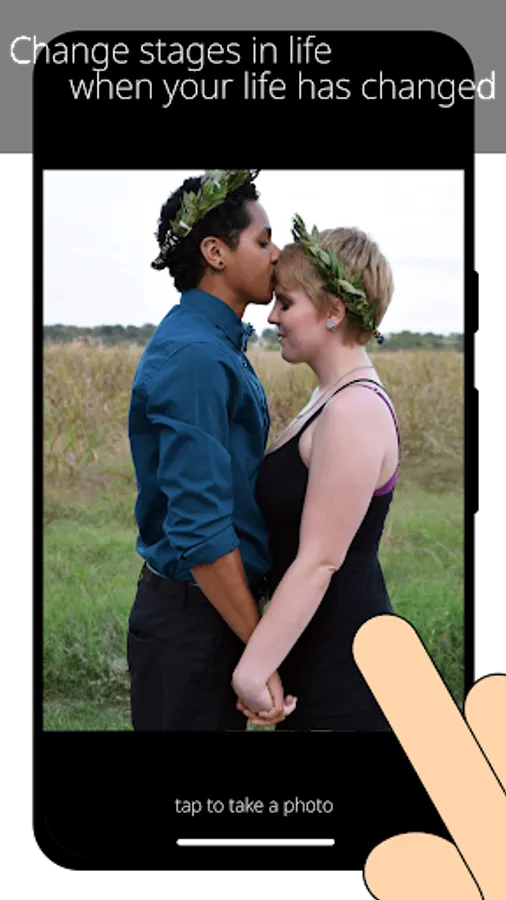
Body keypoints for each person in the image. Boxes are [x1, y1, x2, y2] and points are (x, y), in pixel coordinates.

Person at [127, 169, 296, 730]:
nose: (277, 254)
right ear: (215, 253)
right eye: (263, 241)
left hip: (211, 610)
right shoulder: (196, 357)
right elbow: (200, 530)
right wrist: (259, 648)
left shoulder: (216, 344)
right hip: (194, 620)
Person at [232, 215, 399, 731]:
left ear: (333, 312)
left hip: (347, 671)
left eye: (286, 303)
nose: (272, 317)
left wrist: (251, 671)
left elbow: (320, 561)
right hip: (317, 653)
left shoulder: (355, 411)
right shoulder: (328, 399)